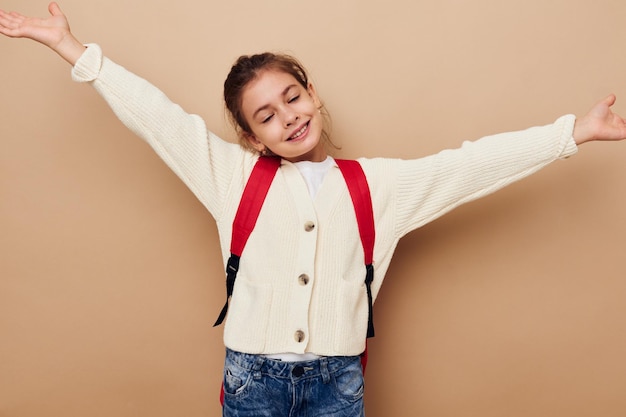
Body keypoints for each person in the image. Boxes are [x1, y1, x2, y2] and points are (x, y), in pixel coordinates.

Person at [2, 3, 626, 417]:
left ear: (313, 95)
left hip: (337, 384)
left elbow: (467, 165)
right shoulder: (232, 176)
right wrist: (74, 49)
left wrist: (573, 132)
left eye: (292, 97)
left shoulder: (377, 186)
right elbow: (157, 116)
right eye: (265, 116)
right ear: (252, 137)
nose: (288, 117)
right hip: (252, 380)